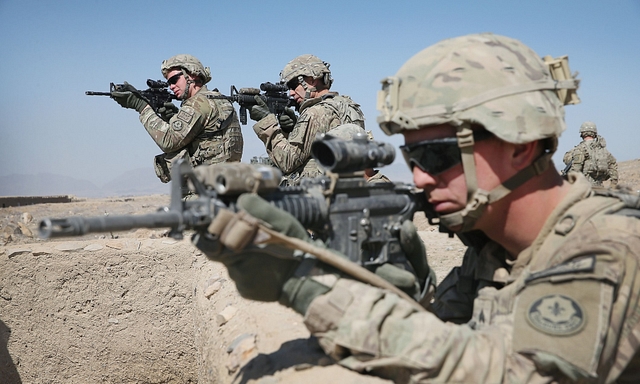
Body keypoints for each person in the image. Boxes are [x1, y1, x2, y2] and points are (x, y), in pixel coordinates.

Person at [192, 33, 640, 383]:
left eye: (439, 155)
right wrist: (405, 285)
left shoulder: (608, 247)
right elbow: (438, 336)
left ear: (521, 144)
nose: (421, 177)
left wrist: (300, 283)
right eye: (412, 159)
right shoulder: (492, 249)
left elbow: (503, 373)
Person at [111, 54, 243, 183]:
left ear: (192, 75)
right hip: (227, 185)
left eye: (174, 80)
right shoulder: (220, 100)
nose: (171, 86)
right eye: (168, 83)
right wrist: (174, 118)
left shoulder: (197, 103)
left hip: (204, 191)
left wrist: (141, 107)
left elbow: (168, 141)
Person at [248, 54, 365, 186]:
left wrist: (265, 121)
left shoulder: (315, 112)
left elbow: (287, 162)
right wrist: (290, 130)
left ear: (311, 80)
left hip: (317, 194)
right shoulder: (348, 106)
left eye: (293, 85)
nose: (291, 93)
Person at [563, 121, 618, 186]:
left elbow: (575, 171)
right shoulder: (603, 150)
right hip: (600, 188)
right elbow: (613, 169)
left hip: (585, 188)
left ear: (582, 133)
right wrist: (612, 186)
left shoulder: (581, 149)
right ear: (594, 134)